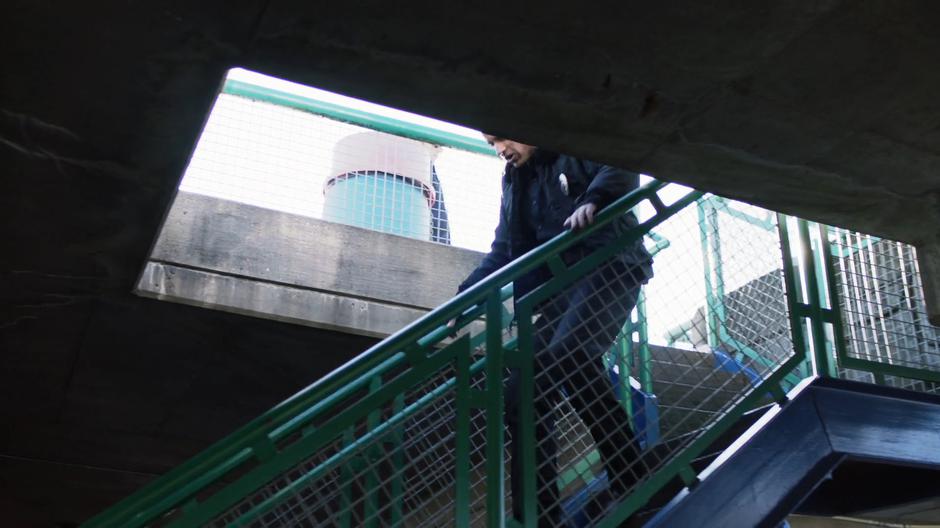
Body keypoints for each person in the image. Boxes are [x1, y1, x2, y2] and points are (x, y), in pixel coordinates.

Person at [457, 135, 653, 526]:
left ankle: (634, 479)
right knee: (520, 389)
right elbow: (505, 247)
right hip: (561, 288)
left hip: (608, 263)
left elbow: (622, 160)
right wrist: (465, 296)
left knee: (572, 355)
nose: (500, 150)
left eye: (502, 138)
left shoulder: (569, 140)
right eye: (491, 143)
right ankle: (538, 517)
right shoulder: (515, 178)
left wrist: (594, 199)